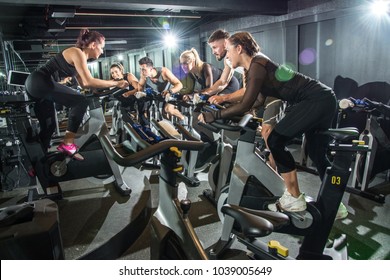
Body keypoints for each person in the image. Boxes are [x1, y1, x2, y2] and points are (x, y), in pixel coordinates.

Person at [199, 31, 338, 213]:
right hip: (324, 98)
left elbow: (246, 103)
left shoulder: (258, 63)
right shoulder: (254, 68)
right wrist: (227, 112)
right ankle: (335, 202)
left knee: (275, 140)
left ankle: (294, 196)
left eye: (230, 50)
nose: (227, 54)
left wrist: (214, 116)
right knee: (317, 152)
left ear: (239, 49)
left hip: (316, 99)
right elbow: (255, 102)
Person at [25, 29, 129, 160]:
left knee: (48, 128)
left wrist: (99, 90)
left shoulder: (80, 58)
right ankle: (68, 143)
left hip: (35, 85)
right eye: (101, 47)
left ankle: (37, 162)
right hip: (41, 81)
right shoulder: (77, 52)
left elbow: (85, 84)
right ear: (93, 45)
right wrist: (115, 83)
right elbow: (88, 80)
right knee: (80, 101)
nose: (102, 51)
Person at [206, 29, 284, 170]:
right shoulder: (229, 60)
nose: (213, 52)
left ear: (226, 43)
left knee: (268, 134)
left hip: (273, 94)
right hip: (260, 95)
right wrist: (206, 94)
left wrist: (224, 98)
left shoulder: (248, 57)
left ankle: (277, 176)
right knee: (242, 120)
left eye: (215, 47)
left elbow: (248, 88)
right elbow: (223, 81)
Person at [137, 56, 183, 124]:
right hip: (160, 94)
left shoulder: (164, 72)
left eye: (144, 69)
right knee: (160, 114)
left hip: (172, 92)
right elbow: (140, 85)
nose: (142, 72)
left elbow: (179, 85)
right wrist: (140, 92)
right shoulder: (144, 75)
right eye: (140, 69)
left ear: (151, 68)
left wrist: (170, 91)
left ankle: (183, 119)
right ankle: (170, 128)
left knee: (168, 109)